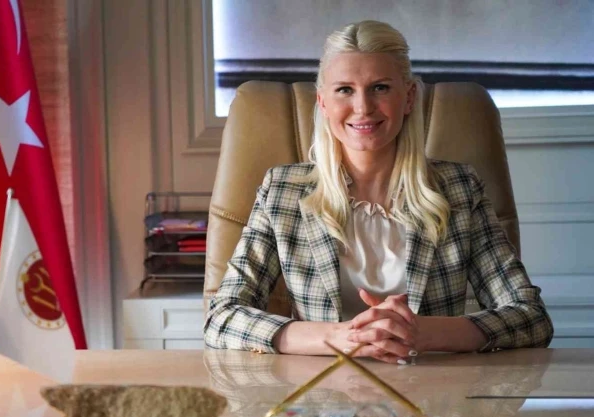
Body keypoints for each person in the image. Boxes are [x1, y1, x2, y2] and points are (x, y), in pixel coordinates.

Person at [204, 20, 553, 364]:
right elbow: (221, 318)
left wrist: (423, 333)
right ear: (322, 102)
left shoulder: (459, 189)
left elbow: (531, 317)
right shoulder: (282, 191)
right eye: (345, 90)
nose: (363, 107)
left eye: (380, 87)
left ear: (409, 97)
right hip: (323, 392)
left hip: (433, 388)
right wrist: (340, 338)